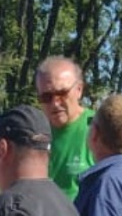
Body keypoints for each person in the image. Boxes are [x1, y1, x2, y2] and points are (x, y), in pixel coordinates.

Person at [36, 56, 93, 200]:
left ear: (79, 90)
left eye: (62, 93)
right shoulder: (33, 133)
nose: (55, 103)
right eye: (47, 97)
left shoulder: (98, 128)